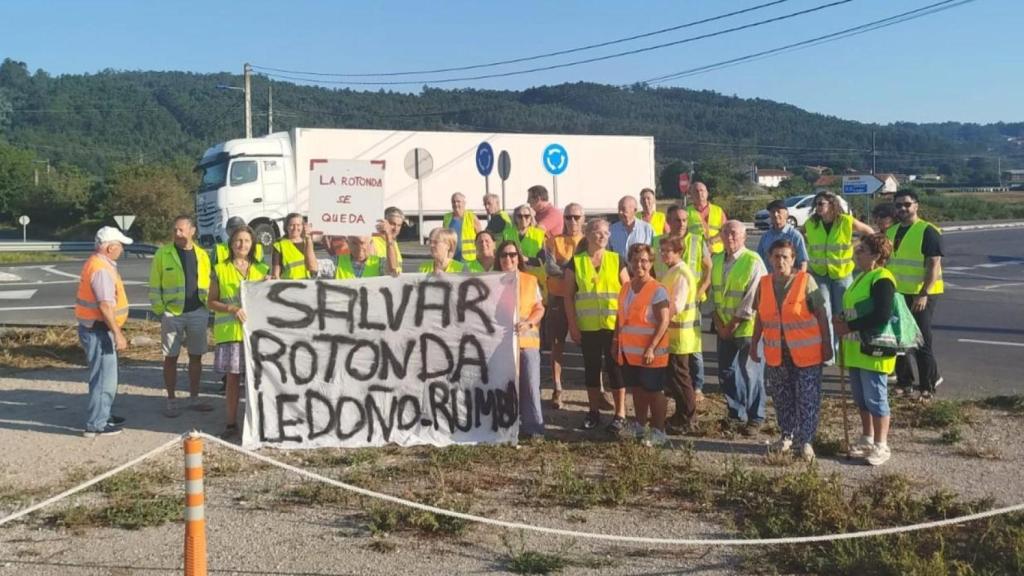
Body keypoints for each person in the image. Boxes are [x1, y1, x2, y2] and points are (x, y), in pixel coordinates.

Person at [750, 239, 830, 461]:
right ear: (769, 259)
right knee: (782, 397)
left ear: (793, 259)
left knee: (807, 398)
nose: (780, 261)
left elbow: (822, 315)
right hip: (778, 354)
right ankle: (787, 435)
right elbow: (760, 317)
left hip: (807, 354)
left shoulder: (806, 281)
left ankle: (805, 441)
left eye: (785, 257)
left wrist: (827, 344)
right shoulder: (764, 284)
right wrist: (754, 343)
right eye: (776, 256)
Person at [834, 233, 898, 466]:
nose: (856, 254)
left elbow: (881, 313)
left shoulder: (882, 278)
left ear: (876, 255)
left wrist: (848, 325)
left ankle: (882, 445)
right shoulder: (862, 277)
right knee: (862, 399)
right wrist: (841, 318)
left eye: (861, 250)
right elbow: (856, 308)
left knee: (876, 398)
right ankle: (867, 438)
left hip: (873, 349)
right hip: (854, 348)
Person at [564, 218, 630, 432]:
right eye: (598, 232)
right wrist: (573, 326)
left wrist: (625, 325)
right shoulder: (576, 262)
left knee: (615, 369)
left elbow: (628, 292)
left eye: (606, 233)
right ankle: (593, 412)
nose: (602, 236)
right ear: (588, 234)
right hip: (588, 326)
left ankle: (620, 414)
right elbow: (568, 297)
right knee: (591, 369)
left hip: (613, 325)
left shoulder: (616, 260)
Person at [206, 225, 268, 439]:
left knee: (258, 378)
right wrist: (231, 308)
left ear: (253, 245)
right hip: (231, 332)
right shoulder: (220, 269)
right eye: (238, 241)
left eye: (247, 241)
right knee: (233, 380)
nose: (242, 245)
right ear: (231, 244)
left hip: (256, 332)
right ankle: (231, 423)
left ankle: (258, 421)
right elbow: (211, 301)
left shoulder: (261, 269)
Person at [150, 215, 213, 417]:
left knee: (196, 356)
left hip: (197, 312)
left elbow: (209, 283)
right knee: (170, 358)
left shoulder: (203, 255)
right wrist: (161, 311)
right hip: (173, 314)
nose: (177, 233)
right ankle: (171, 400)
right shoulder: (163, 254)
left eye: (181, 230)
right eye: (175, 230)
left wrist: (207, 309)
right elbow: (154, 285)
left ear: (192, 231)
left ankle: (194, 398)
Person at [886, 190, 944, 400]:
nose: (902, 209)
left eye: (907, 204)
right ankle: (904, 382)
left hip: (921, 294)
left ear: (916, 206)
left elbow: (933, 265)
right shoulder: (891, 232)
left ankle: (927, 387)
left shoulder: (928, 231)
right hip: (898, 293)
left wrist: (923, 294)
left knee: (921, 342)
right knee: (899, 341)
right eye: (899, 205)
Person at [75, 226, 132, 437]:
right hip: (99, 331)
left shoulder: (97, 263)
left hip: (95, 329)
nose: (122, 250)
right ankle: (97, 424)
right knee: (104, 379)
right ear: (109, 248)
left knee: (104, 377)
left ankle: (103, 414)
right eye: (120, 246)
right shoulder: (101, 269)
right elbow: (105, 305)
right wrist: (118, 333)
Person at [802, 191, 874, 358]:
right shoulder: (811, 223)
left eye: (822, 203)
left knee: (843, 313)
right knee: (823, 311)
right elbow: (800, 235)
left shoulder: (845, 221)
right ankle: (830, 352)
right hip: (820, 274)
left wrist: (857, 245)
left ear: (832, 204)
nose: (818, 207)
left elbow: (869, 232)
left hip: (841, 274)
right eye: (817, 204)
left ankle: (845, 352)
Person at [712, 220, 767, 433]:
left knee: (750, 373)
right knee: (726, 372)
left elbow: (752, 298)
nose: (730, 236)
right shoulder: (717, 259)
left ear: (744, 236)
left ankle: (756, 416)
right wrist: (719, 323)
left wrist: (732, 324)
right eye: (725, 232)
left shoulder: (753, 261)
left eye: (734, 233)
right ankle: (736, 413)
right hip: (722, 327)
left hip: (746, 328)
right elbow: (714, 296)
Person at [656, 205, 712, 403]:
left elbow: (708, 268)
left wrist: (701, 290)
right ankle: (674, 389)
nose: (681, 224)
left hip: (686, 305)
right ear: (668, 222)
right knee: (673, 356)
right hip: (667, 303)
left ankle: (697, 387)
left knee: (693, 350)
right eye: (677, 220)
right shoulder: (658, 242)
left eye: (684, 220)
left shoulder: (696, 240)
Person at [616, 244, 671, 446]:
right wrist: (616, 342)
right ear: (629, 262)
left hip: (651, 353)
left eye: (644, 261)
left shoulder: (657, 290)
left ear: (651, 263)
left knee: (654, 392)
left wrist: (651, 347)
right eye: (636, 260)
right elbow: (620, 318)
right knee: (637, 389)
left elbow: (664, 320)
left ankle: (659, 431)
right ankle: (640, 426)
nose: (639, 264)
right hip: (630, 352)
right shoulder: (626, 287)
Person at [496, 240, 546, 439]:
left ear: (518, 257)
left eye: (512, 255)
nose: (508, 259)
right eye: (504, 255)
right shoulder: (491, 281)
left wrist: (530, 323)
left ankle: (533, 428)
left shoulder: (530, 280)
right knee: (504, 386)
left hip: (527, 344)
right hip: (500, 345)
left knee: (530, 385)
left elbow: (539, 307)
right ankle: (505, 426)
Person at [657, 235, 701, 435]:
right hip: (674, 334)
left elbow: (676, 304)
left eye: (667, 251)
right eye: (662, 250)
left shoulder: (681, 273)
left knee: (680, 377)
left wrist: (660, 319)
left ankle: (687, 417)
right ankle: (682, 413)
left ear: (678, 252)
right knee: (675, 377)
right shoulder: (673, 271)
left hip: (680, 335)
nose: (663, 254)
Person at [543, 203, 584, 409]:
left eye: (576, 217)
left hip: (583, 299)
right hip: (558, 297)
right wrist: (575, 270)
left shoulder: (588, 242)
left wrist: (565, 265)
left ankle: (599, 389)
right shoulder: (553, 241)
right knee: (557, 344)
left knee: (589, 345)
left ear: (583, 218)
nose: (572, 221)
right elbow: (550, 267)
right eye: (568, 217)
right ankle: (557, 388)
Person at [756, 199, 809, 273]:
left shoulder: (795, 236)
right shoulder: (765, 237)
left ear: (786, 214)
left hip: (788, 281)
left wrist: (799, 282)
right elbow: (758, 261)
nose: (775, 214)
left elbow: (803, 262)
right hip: (768, 281)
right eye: (772, 212)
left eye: (778, 211)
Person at [334, 231, 400, 279]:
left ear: (371, 243)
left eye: (363, 244)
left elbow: (393, 272)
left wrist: (388, 238)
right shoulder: (336, 262)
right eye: (355, 243)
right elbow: (323, 268)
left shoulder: (379, 262)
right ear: (348, 243)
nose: (359, 249)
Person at [271, 213, 319, 279]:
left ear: (303, 226)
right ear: (286, 227)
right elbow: (275, 273)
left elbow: (314, 269)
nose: (295, 228)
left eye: (298, 225)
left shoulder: (307, 243)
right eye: (292, 225)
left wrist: (309, 239)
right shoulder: (279, 245)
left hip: (307, 285)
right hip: (288, 286)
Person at [609, 195, 654, 264]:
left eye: (623, 209)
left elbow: (652, 253)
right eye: (619, 209)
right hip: (619, 272)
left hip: (640, 271)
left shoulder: (647, 229)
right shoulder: (612, 229)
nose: (620, 212)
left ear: (635, 210)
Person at [686, 181, 726, 255]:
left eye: (702, 190)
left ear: (707, 193)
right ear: (691, 195)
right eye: (696, 191)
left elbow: (726, 231)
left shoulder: (718, 210)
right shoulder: (686, 212)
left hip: (717, 253)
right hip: (695, 253)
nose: (699, 193)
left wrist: (712, 241)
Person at [443, 192, 481, 263]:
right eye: (453, 202)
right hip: (451, 257)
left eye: (458, 201)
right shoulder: (447, 218)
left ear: (464, 203)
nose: (456, 204)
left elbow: (480, 237)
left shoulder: (472, 217)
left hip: (469, 259)